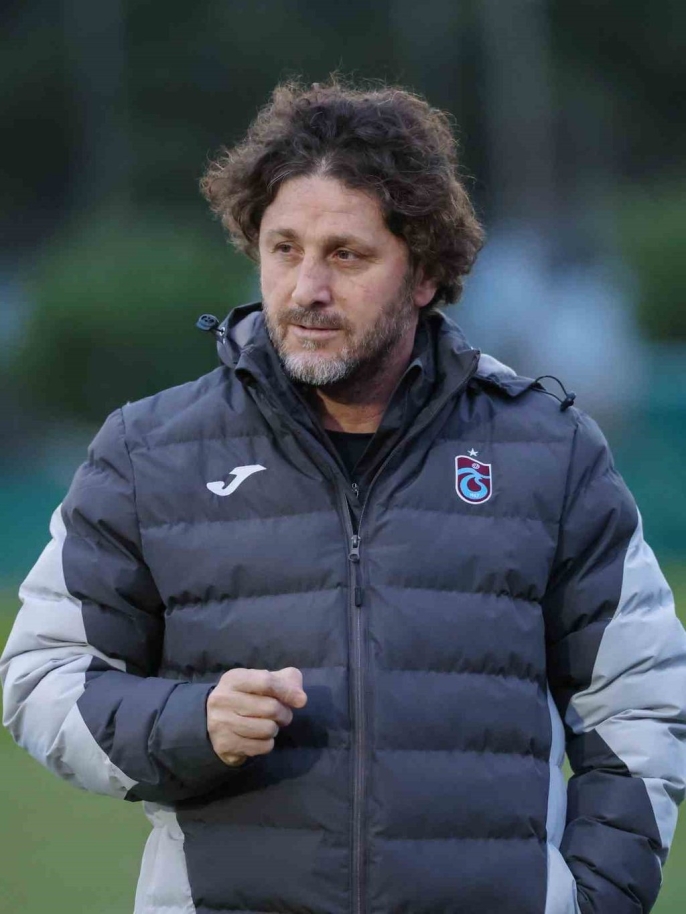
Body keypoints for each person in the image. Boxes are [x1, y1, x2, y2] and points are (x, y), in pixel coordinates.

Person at [1, 78, 685, 914]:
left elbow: (642, 700)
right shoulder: (149, 454)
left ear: (424, 272)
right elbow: (42, 676)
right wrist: (190, 723)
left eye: (346, 255)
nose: (306, 289)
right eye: (284, 249)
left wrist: (595, 900)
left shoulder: (551, 452)